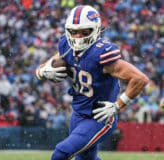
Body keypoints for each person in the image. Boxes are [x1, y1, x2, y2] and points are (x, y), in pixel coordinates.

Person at [35, 5, 149, 160]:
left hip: (99, 116)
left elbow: (140, 78)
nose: (78, 37)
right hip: (78, 113)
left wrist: (118, 105)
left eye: (85, 31)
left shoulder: (101, 53)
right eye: (74, 32)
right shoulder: (66, 46)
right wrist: (41, 71)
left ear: (95, 29)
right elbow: (45, 66)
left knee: (61, 153)